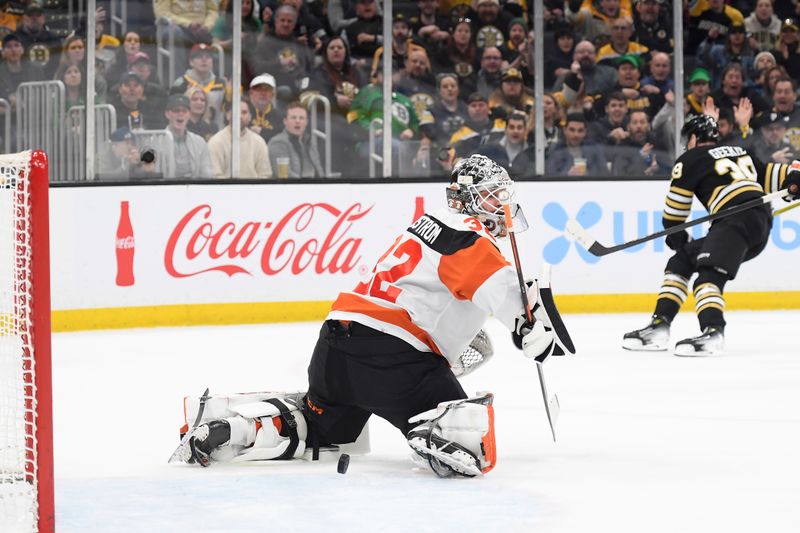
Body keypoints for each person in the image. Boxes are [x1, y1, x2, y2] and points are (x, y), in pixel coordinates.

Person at [171, 154, 574, 477]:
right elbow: (495, 282)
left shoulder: (425, 224)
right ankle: (427, 426)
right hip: (393, 358)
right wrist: (526, 325)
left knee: (321, 428)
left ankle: (235, 429)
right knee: (469, 441)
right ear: (466, 198)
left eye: (503, 194)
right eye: (491, 195)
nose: (501, 204)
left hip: (335, 347)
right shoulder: (468, 233)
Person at [623, 114, 800, 356]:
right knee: (681, 261)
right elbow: (781, 176)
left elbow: (674, 217)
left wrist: (677, 237)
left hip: (735, 220)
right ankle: (659, 326)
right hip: (756, 221)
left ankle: (713, 332)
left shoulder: (689, 159)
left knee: (707, 274)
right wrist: (794, 181)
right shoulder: (739, 151)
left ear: (694, 138)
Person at [208, 97, 272, 179]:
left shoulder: (259, 142)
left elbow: (265, 175)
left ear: (250, 117)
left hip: (254, 191)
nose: (240, 116)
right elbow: (215, 176)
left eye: (244, 112)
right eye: (236, 112)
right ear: (227, 115)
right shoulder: (216, 142)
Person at [268, 101, 323, 178]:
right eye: (293, 118)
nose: (297, 121)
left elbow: (319, 170)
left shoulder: (310, 142)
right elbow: (285, 175)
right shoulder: (278, 142)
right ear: (285, 121)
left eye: (301, 118)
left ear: (306, 122)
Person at [163, 94, 213, 179]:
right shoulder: (156, 141)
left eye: (184, 111)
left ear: (189, 114)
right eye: (176, 110)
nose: (180, 114)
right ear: (167, 114)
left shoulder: (200, 142)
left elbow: (207, 175)